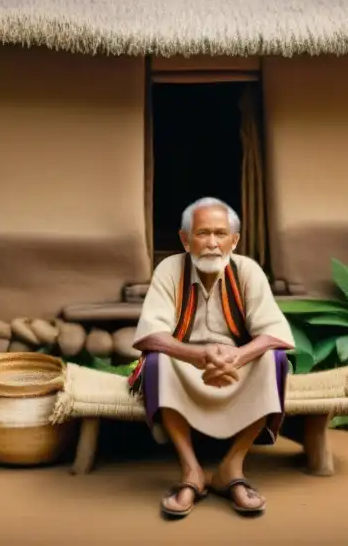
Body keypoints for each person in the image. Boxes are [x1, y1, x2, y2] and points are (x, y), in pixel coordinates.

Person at [130, 197, 295, 519]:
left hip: (237, 365)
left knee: (272, 359)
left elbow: (275, 332)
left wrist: (238, 355)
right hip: (186, 362)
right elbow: (150, 334)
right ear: (185, 239)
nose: (211, 244)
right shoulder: (170, 268)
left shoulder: (247, 269)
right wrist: (193, 355)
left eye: (220, 234)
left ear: (234, 241)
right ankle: (191, 470)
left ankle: (231, 466)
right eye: (202, 233)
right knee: (157, 359)